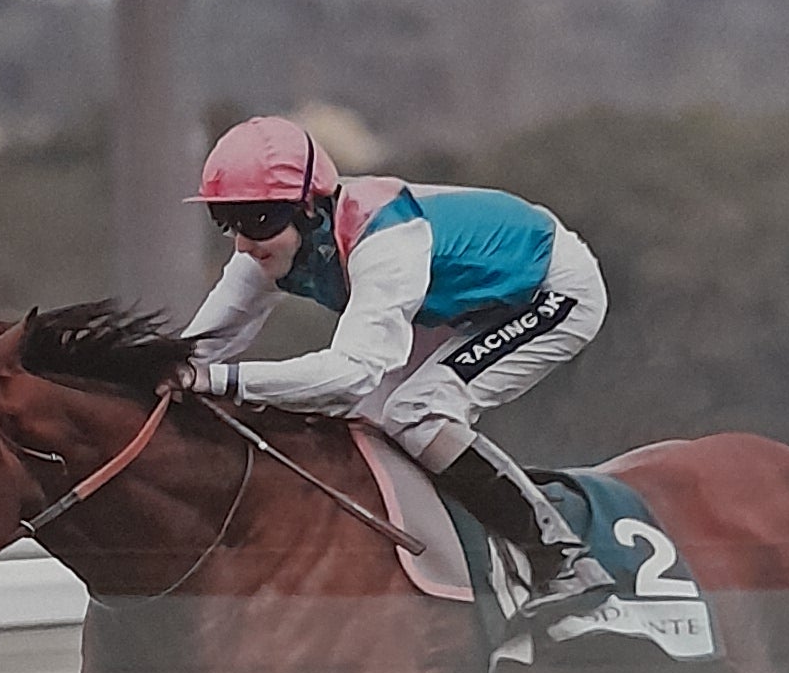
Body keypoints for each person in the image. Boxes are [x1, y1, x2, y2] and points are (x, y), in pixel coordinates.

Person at [174, 115, 615, 633]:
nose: (245, 243)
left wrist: (221, 382)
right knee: (371, 421)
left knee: (417, 412)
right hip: (457, 302)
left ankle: (564, 561)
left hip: (551, 289)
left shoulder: (384, 240)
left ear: (311, 207)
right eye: (227, 221)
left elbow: (351, 373)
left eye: (260, 220)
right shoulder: (268, 250)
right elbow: (195, 351)